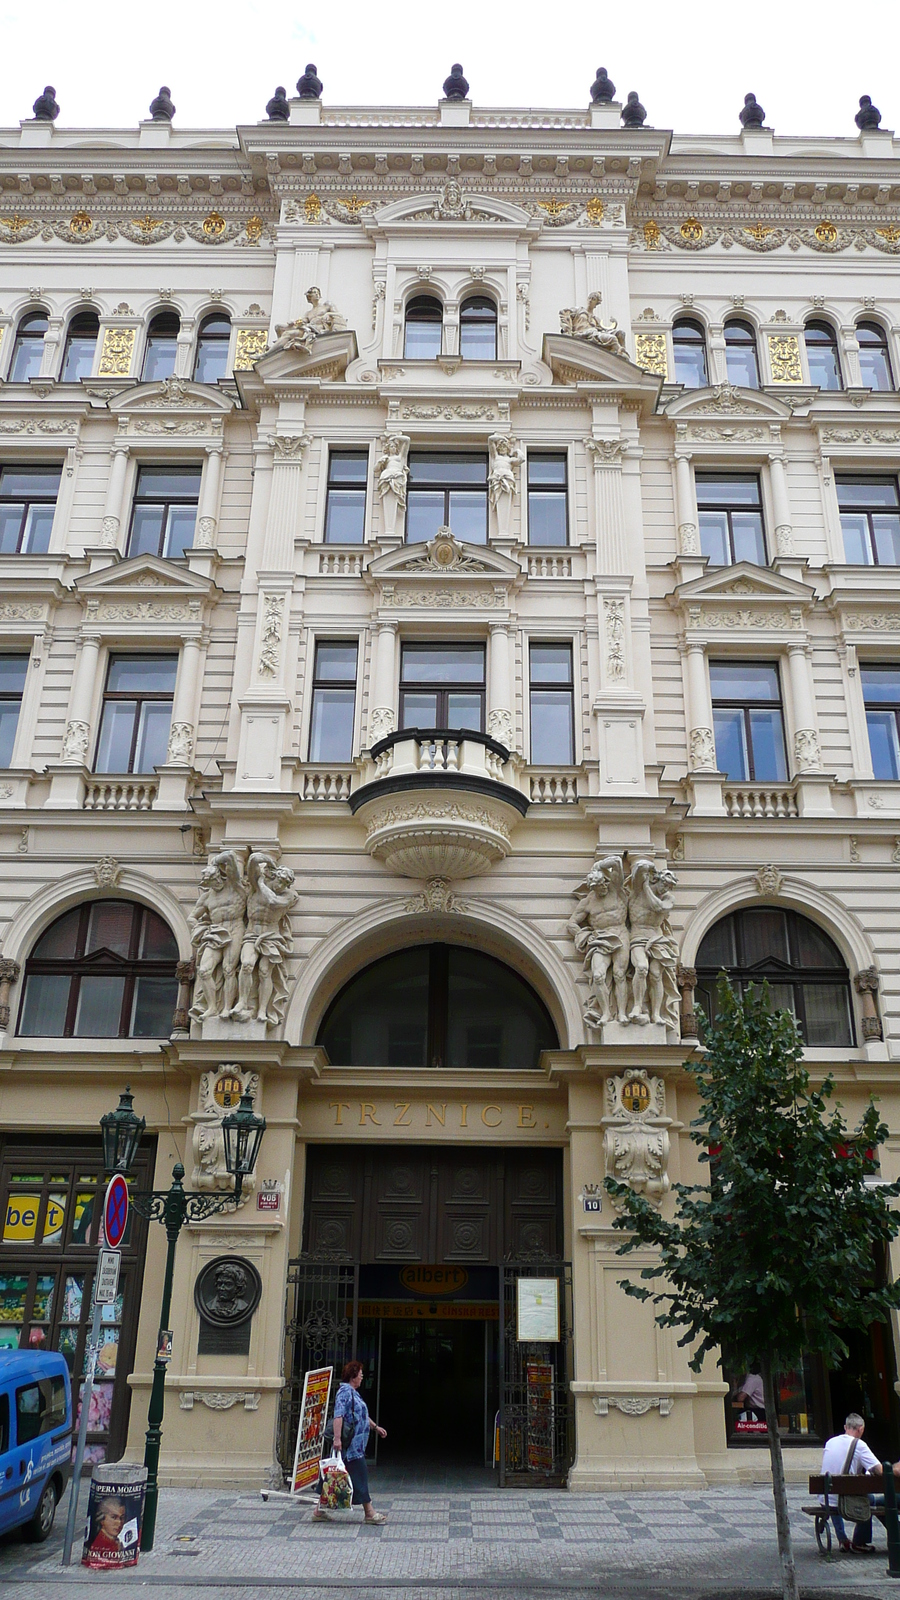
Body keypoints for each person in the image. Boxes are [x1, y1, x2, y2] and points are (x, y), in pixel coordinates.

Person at [314, 1359, 387, 1525]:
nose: (362, 1377)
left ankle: (318, 1511)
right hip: (350, 1446)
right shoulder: (345, 1393)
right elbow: (339, 1415)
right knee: (360, 1474)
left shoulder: (354, 1393)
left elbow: (360, 1416)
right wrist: (337, 1439)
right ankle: (369, 1512)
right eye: (360, 1375)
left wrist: (375, 1427)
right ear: (353, 1376)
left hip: (356, 1445)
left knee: (332, 1475)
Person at [819, 1412, 899, 1553]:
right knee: (870, 1500)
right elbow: (881, 1470)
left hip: (825, 1498)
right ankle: (859, 1542)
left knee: (837, 1494)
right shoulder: (859, 1445)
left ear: (845, 1427)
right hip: (843, 1499)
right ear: (861, 1429)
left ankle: (843, 1539)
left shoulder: (830, 1441)